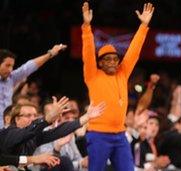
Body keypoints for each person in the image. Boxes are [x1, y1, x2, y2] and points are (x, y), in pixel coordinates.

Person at [81, 1, 154, 171]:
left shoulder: (123, 73)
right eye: (107, 59)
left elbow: (133, 52)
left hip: (120, 134)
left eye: (115, 59)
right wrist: (86, 26)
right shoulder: (92, 75)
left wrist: (143, 26)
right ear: (100, 63)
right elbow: (87, 52)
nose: (113, 62)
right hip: (98, 134)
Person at [0, 44, 67, 128]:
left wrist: (50, 54)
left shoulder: (11, 78)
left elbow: (28, 67)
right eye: (7, 65)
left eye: (12, 66)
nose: (10, 69)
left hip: (6, 128)